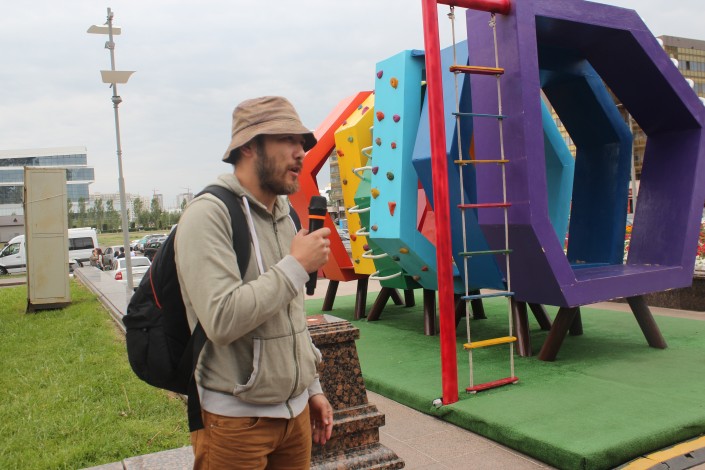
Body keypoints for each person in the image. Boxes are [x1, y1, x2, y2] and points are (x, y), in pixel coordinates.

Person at [175, 96, 334, 469]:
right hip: (235, 422)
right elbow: (221, 319)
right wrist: (297, 265)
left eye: (302, 143)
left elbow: (292, 316)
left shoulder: (286, 215)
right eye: (288, 140)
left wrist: (311, 387)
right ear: (248, 146)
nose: (300, 152)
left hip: (296, 417)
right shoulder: (209, 214)